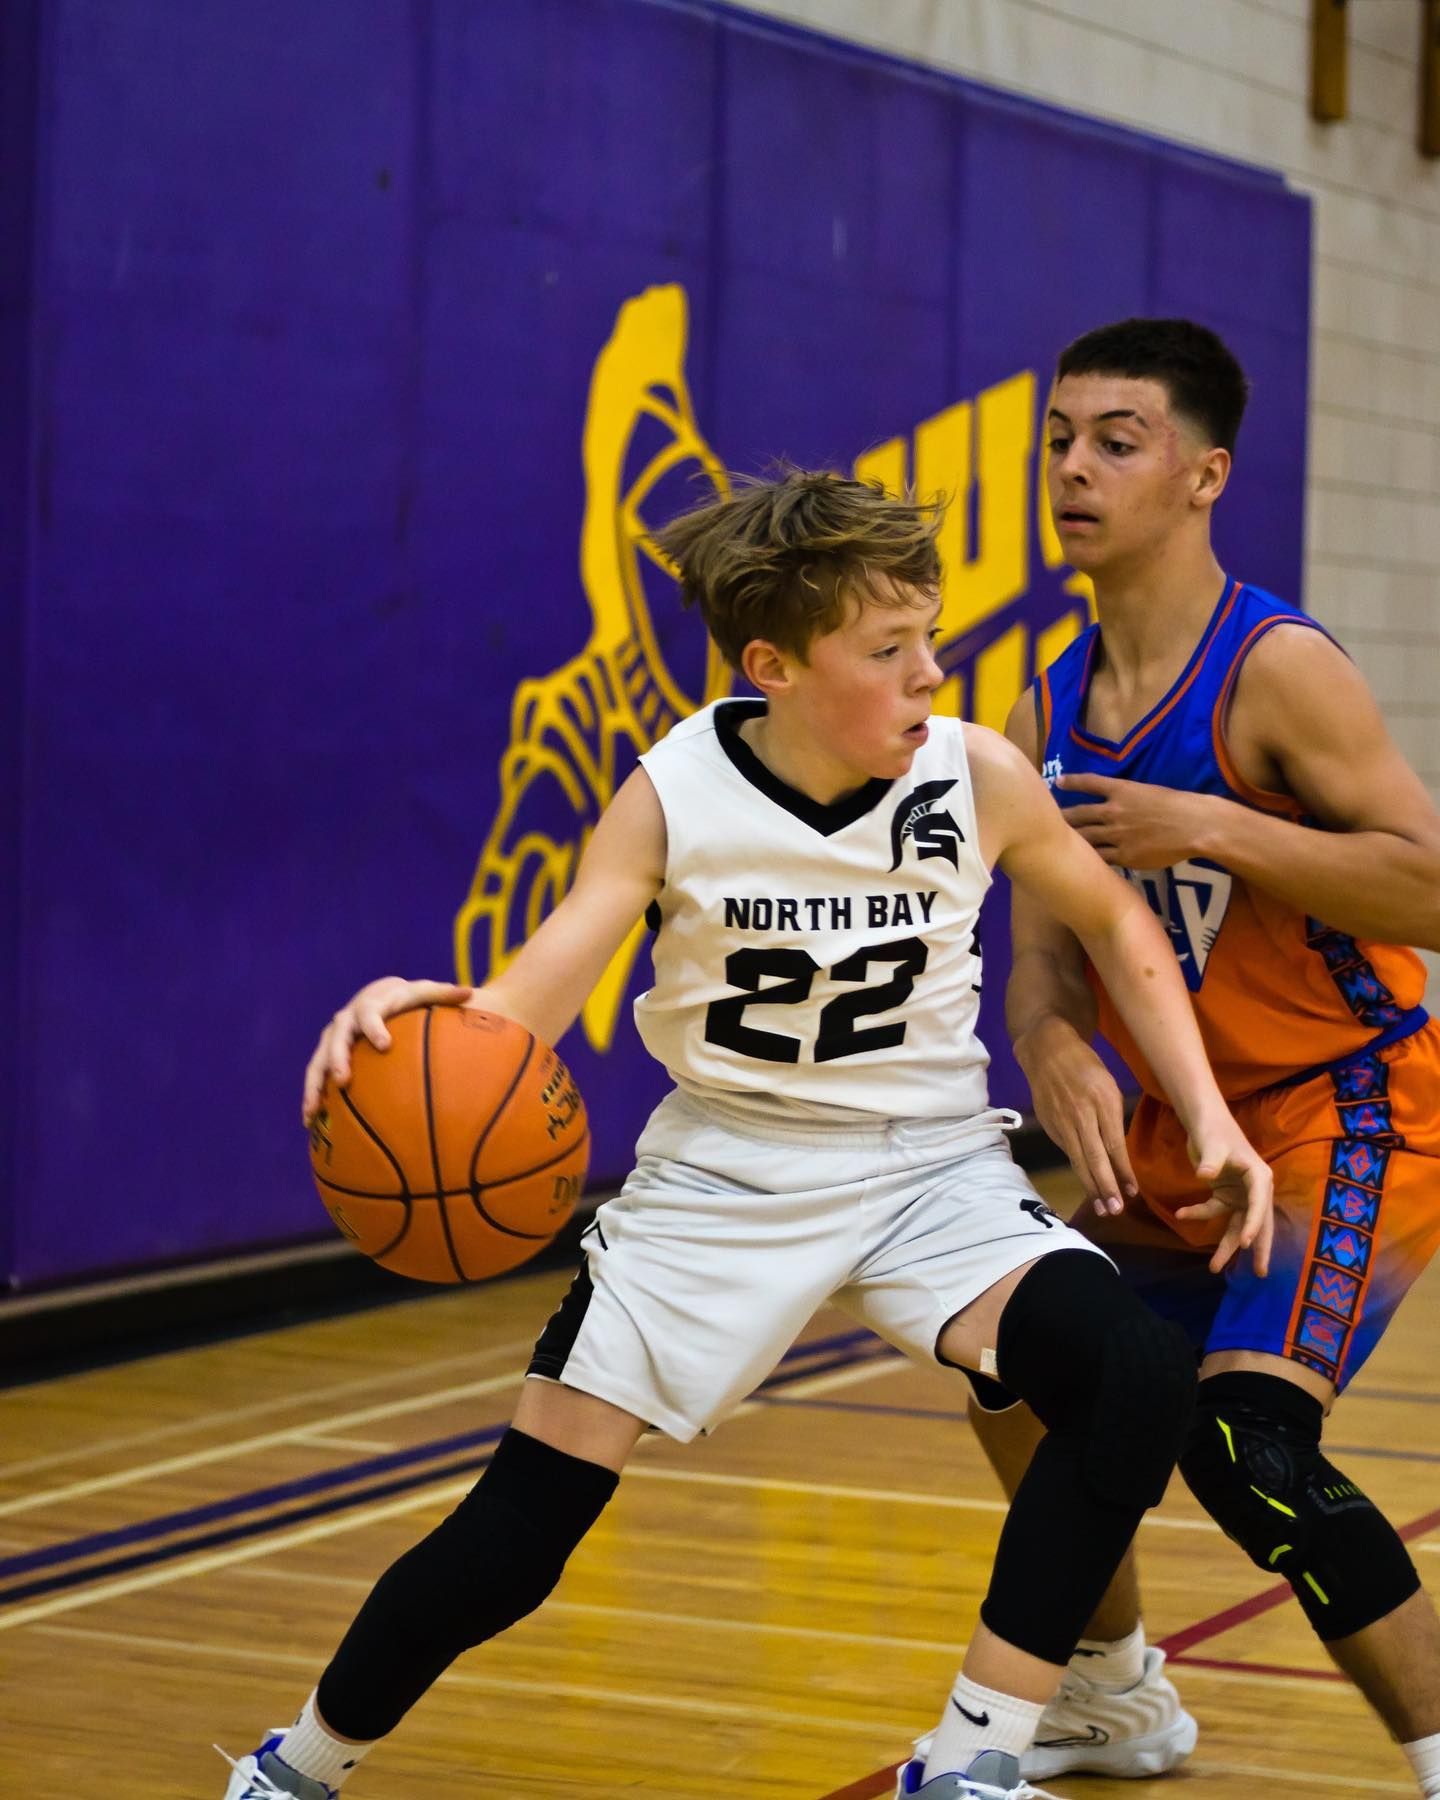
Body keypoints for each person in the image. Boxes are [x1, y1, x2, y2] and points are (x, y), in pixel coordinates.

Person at [217, 469, 1272, 1800]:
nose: (928, 676)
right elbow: (533, 996)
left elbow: (1119, 924)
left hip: (930, 1164)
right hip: (727, 1169)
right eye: (889, 654)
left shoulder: (975, 775)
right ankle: (294, 1767)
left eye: (931, 641)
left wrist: (1212, 1114)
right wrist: (434, 1019)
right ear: (772, 666)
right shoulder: (675, 795)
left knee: (1134, 1375)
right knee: (522, 1530)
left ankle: (978, 1755)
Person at [940, 317, 1440, 1798]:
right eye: (1059, 438)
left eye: (1118, 439)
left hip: (1342, 1112)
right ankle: (1113, 1696)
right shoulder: (1048, 701)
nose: (1074, 468)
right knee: (1011, 1369)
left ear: (1206, 473)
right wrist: (1046, 1043)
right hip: (1169, 1128)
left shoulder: (1277, 671)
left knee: (1243, 1444)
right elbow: (1038, 953)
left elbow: (1426, 883)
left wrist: (1211, 824)